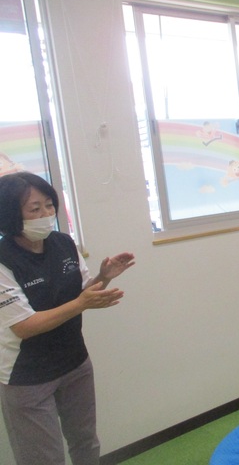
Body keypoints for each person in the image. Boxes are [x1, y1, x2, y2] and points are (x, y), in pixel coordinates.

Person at [0, 172, 135, 465]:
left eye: (49, 205)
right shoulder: (3, 259)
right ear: (11, 214)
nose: (46, 214)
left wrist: (104, 277)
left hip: (74, 362)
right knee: (43, 458)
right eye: (35, 209)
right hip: (27, 376)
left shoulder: (63, 242)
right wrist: (80, 304)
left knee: (86, 442)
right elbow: (24, 326)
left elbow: (82, 293)